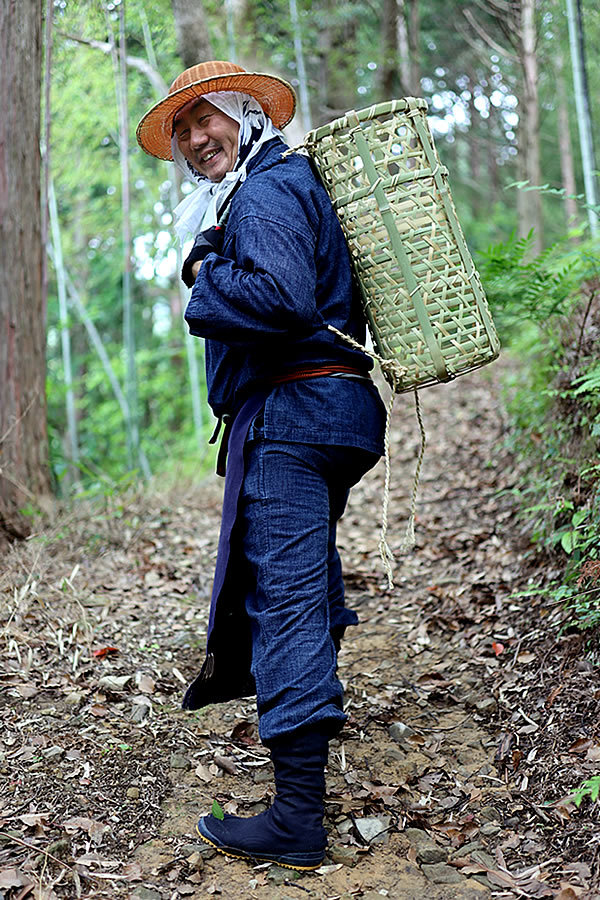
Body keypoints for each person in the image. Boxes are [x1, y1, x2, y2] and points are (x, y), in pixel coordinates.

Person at [136, 61, 386, 871]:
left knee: (284, 597)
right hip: (327, 414)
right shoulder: (269, 185)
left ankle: (297, 818)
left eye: (207, 119)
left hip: (296, 417)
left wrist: (205, 277)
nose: (196, 138)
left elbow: (280, 299)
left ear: (245, 116)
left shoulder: (271, 188)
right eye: (181, 130)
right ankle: (310, 749)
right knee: (302, 580)